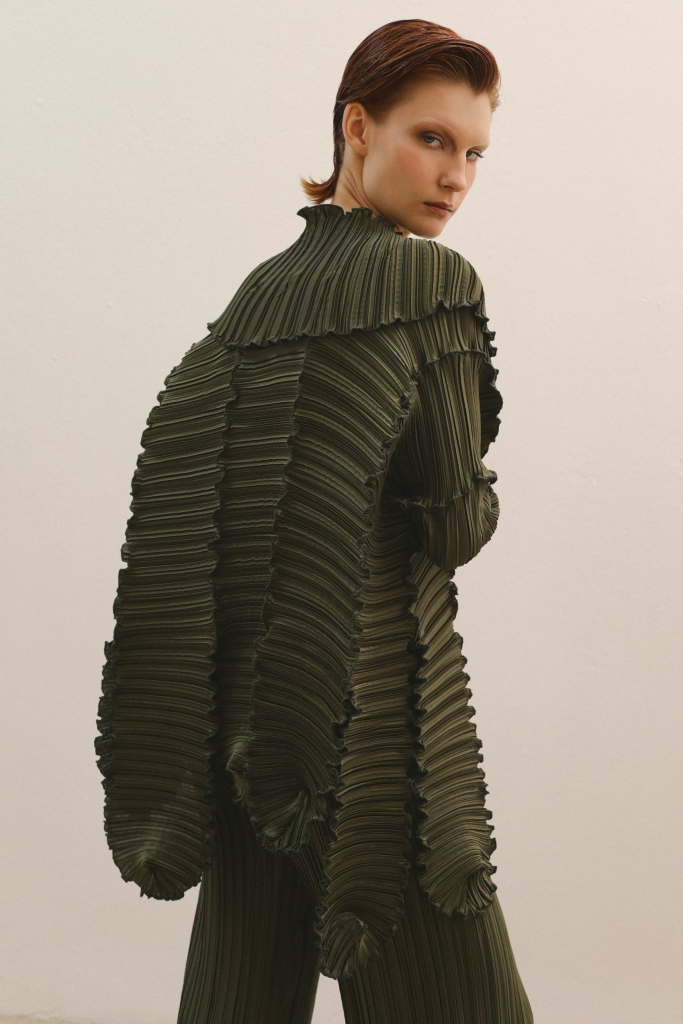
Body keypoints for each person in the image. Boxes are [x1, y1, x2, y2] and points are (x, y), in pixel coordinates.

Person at [95, 17, 534, 1024]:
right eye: (431, 138)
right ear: (356, 126)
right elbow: (453, 527)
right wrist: (476, 486)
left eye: (473, 153)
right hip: (377, 742)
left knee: (236, 1006)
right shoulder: (431, 283)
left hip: (243, 731)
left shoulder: (254, 297)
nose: (455, 176)